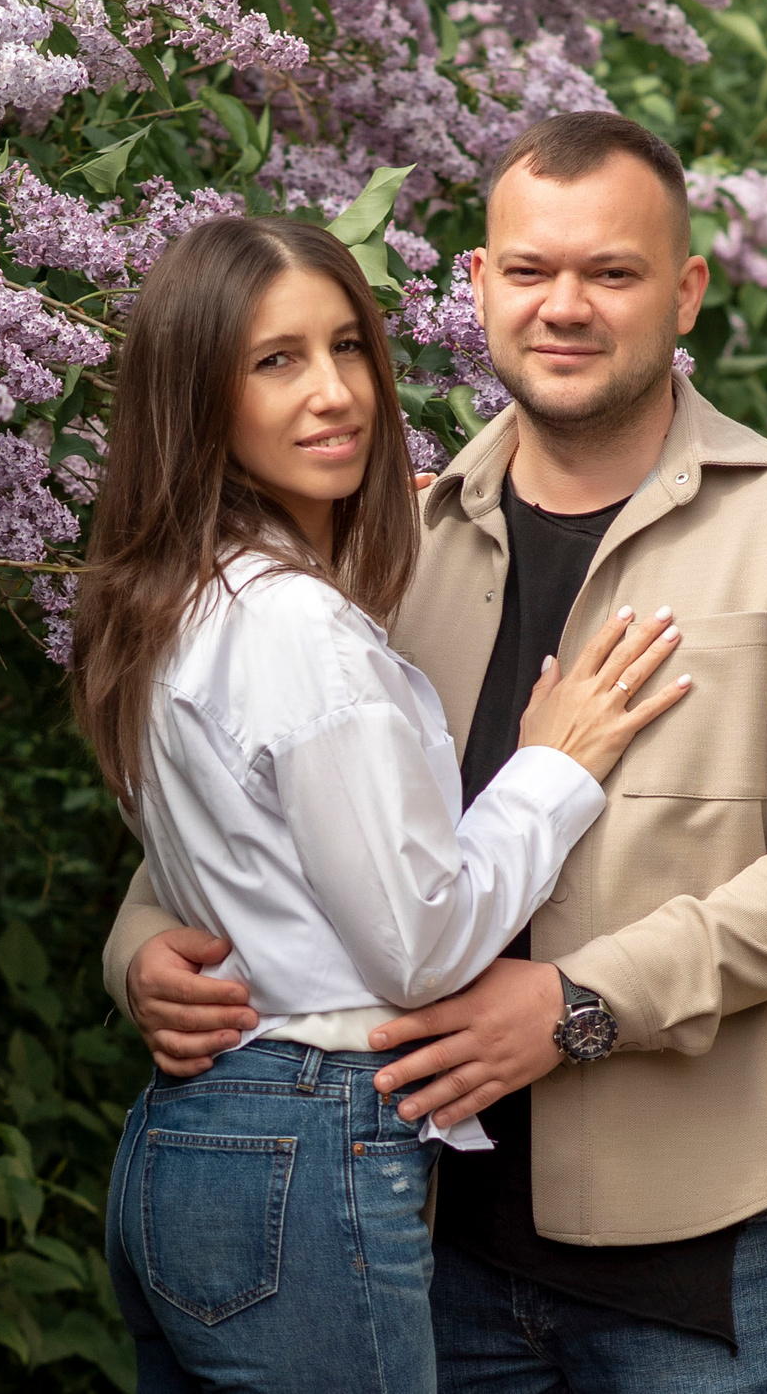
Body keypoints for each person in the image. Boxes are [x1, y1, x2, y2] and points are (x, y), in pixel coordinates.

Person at [102, 113, 767, 1393]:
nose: (567, 308)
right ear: (478, 287)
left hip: (691, 1270)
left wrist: (579, 1006)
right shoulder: (389, 543)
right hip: (424, 1246)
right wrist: (143, 946)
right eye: (533, 272)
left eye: (612, 273)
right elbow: (270, 804)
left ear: (685, 290)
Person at [77, 214, 697, 1392]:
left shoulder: (186, 597)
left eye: (347, 348)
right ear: (197, 398)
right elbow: (416, 946)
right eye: (275, 362)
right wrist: (555, 768)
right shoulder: (298, 628)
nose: (333, 395)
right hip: (304, 1140)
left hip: (190, 1137)